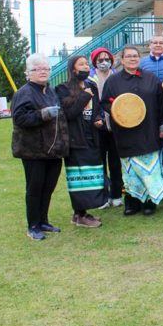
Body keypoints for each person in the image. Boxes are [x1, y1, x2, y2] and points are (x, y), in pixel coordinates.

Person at [101, 46, 163, 216]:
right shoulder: (113, 81)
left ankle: (149, 202)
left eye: (135, 56)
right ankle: (132, 202)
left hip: (149, 132)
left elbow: (161, 104)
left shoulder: (151, 79)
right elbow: (106, 102)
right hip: (125, 133)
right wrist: (121, 111)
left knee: (149, 170)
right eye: (128, 56)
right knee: (130, 171)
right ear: (122, 60)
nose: (132, 59)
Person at [11, 53, 69, 240]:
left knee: (48, 188)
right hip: (33, 150)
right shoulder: (24, 93)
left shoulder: (49, 91)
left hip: (53, 150)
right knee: (35, 189)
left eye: (46, 68)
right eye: (38, 69)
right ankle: (33, 226)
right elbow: (19, 118)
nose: (43, 72)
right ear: (29, 73)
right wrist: (42, 114)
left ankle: (43, 221)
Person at [56, 55, 107, 228]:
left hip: (92, 136)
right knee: (78, 177)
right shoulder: (62, 89)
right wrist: (84, 97)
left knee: (92, 176)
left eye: (87, 64)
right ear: (73, 69)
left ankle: (83, 212)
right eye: (81, 64)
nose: (85, 67)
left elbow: (97, 109)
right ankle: (80, 213)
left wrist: (99, 119)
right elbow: (69, 114)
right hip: (75, 139)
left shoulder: (92, 86)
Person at [138, 34, 163, 198]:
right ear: (150, 45)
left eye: (161, 42)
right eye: (155, 42)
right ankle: (157, 185)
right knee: (156, 150)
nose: (158, 45)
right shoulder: (143, 62)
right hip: (150, 112)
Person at [89, 47, 123, 209]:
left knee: (116, 162)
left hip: (116, 124)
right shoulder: (90, 78)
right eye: (100, 59)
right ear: (94, 61)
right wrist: (97, 117)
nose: (104, 62)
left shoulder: (117, 76)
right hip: (98, 127)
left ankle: (116, 194)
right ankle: (102, 196)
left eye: (106, 59)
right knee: (99, 162)